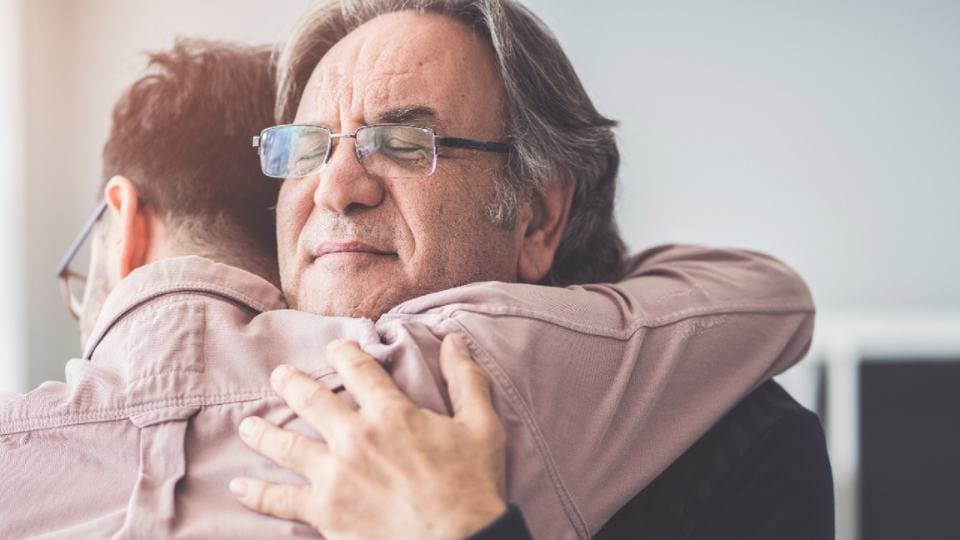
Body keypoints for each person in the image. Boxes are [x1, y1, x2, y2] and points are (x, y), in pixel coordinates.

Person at [0, 14, 817, 540]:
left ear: (535, 218)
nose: (336, 187)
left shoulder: (729, 436)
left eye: (400, 143)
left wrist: (460, 529)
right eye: (308, 149)